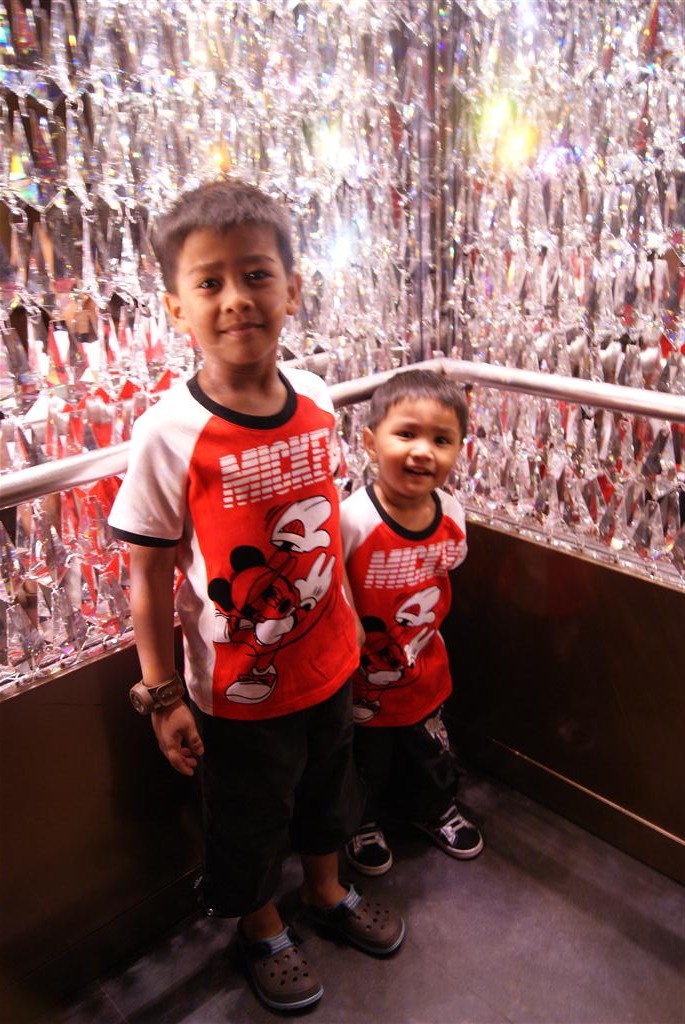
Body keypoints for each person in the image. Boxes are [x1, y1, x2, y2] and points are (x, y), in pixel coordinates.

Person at [108, 178, 405, 1013]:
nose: (236, 298)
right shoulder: (167, 432)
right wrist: (162, 693)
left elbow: (327, 529)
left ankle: (326, 889)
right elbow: (147, 575)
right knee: (246, 817)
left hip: (329, 662)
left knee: (328, 792)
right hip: (237, 692)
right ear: (177, 307)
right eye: (209, 282)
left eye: (256, 274)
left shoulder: (314, 397)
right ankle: (261, 926)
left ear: (292, 289)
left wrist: (353, 632)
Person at [340, 368, 484, 877]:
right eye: (406, 434)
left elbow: (447, 569)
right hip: (360, 680)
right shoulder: (353, 519)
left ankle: (434, 808)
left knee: (429, 750)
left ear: (459, 450)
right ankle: (361, 822)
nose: (423, 451)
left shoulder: (451, 512)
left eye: (441, 440)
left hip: (424, 665)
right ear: (370, 442)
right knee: (365, 758)